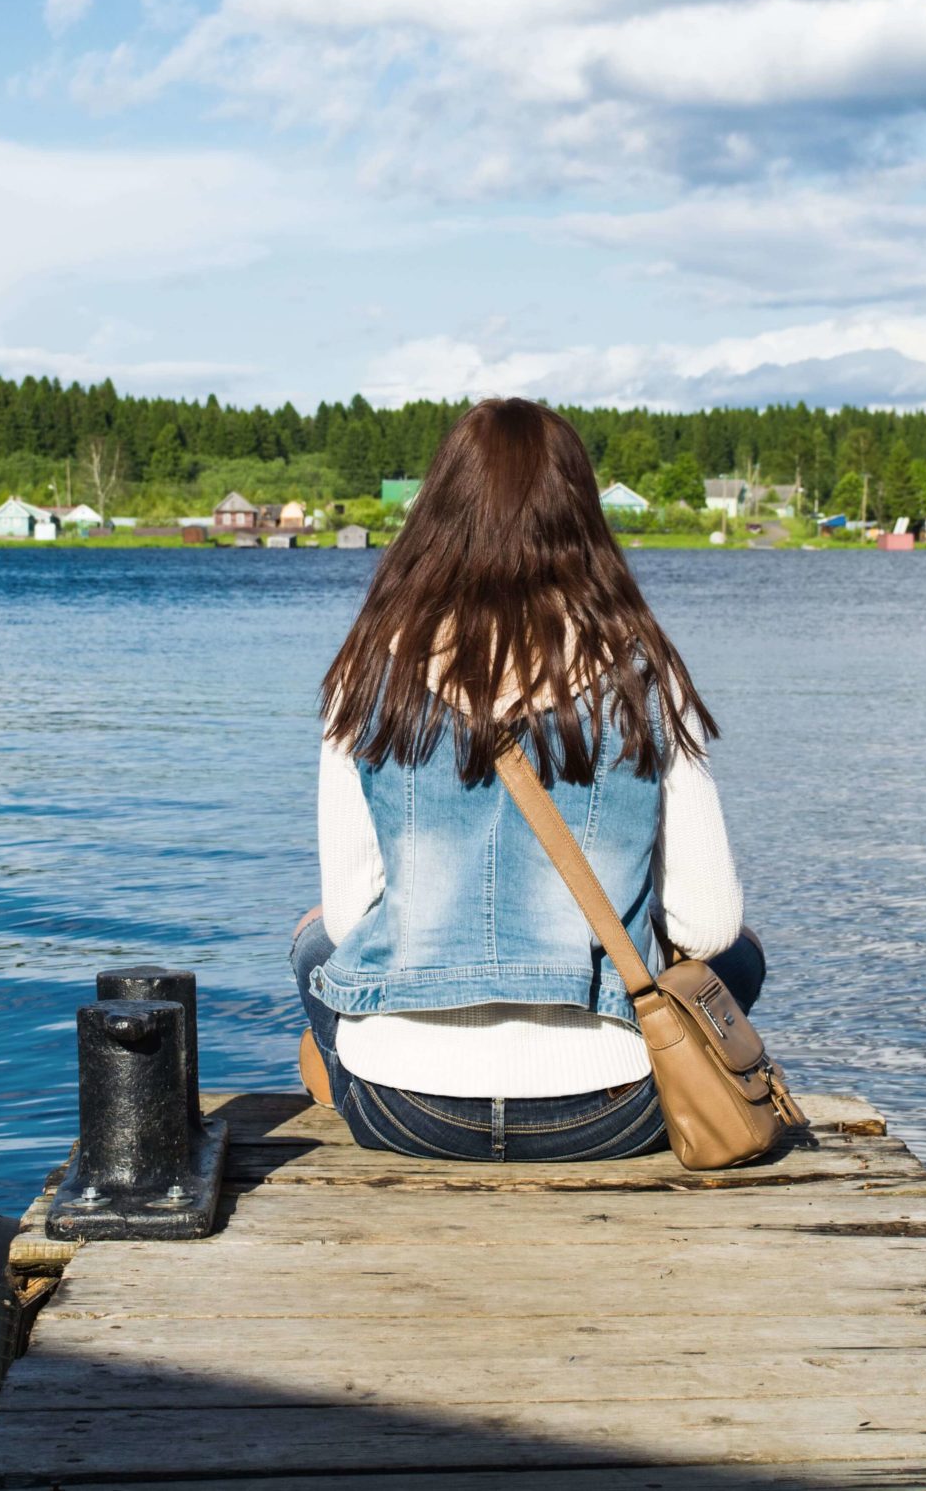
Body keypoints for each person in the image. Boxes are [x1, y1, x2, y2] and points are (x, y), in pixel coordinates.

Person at [292, 397, 765, 1162]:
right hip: (612, 1112)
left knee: (314, 943)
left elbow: (351, 922)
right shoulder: (644, 675)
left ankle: (345, 1074)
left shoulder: (365, 676)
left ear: (438, 516)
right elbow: (708, 927)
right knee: (741, 954)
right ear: (579, 518)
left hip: (407, 1112)